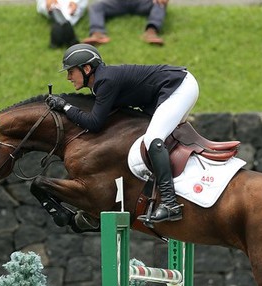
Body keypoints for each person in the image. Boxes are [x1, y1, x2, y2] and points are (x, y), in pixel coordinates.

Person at [46, 43, 199, 223]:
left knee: (152, 139)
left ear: (86, 68)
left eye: (71, 71)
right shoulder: (101, 82)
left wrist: (65, 106)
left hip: (179, 87)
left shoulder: (105, 81)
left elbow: (95, 123)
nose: (68, 77)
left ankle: (170, 203)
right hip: (167, 90)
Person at [83, 0, 169, 46]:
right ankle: (98, 34)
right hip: (118, 3)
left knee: (160, 3)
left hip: (142, 2)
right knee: (96, 6)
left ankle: (151, 32)